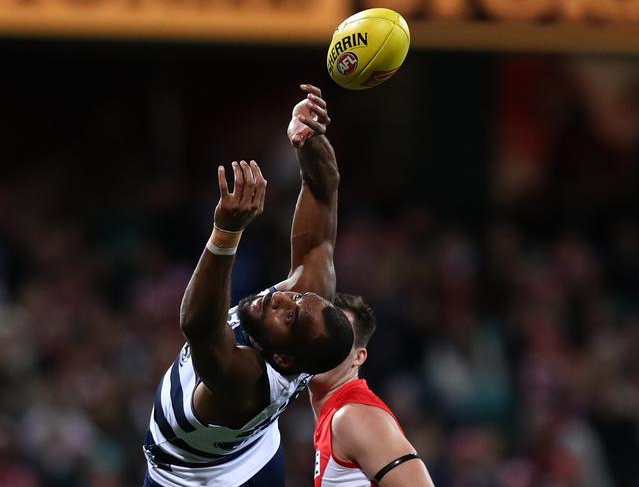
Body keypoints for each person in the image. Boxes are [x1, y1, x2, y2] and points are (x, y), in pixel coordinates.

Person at [143, 84, 354, 487]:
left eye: (288, 317)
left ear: (286, 361)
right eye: (297, 297)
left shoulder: (245, 384)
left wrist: (226, 232)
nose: (279, 298)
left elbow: (197, 325)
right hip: (257, 453)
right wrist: (309, 140)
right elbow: (323, 194)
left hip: (191, 480)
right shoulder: (309, 317)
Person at [310, 293, 435, 487]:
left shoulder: (353, 416)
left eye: (336, 337)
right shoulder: (335, 415)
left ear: (358, 357)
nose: (321, 344)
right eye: (316, 333)